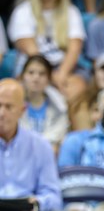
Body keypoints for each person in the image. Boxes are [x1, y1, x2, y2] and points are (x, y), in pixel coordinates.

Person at [7, 0, 88, 97]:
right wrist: (48, 74)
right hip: (31, 65)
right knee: (21, 89)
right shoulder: (22, 11)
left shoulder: (72, 12)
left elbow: (74, 48)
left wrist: (61, 74)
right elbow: (30, 49)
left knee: (76, 88)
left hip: (64, 67)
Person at [0, 78, 62, 211]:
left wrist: (39, 203)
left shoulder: (41, 146)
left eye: (8, 107)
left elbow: (54, 196)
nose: (1, 113)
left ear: (22, 110)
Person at [19, 55, 70, 152]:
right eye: (31, 73)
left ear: (49, 79)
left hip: (49, 152)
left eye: (42, 74)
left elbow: (57, 137)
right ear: (22, 76)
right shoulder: (13, 104)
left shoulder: (60, 106)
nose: (36, 78)